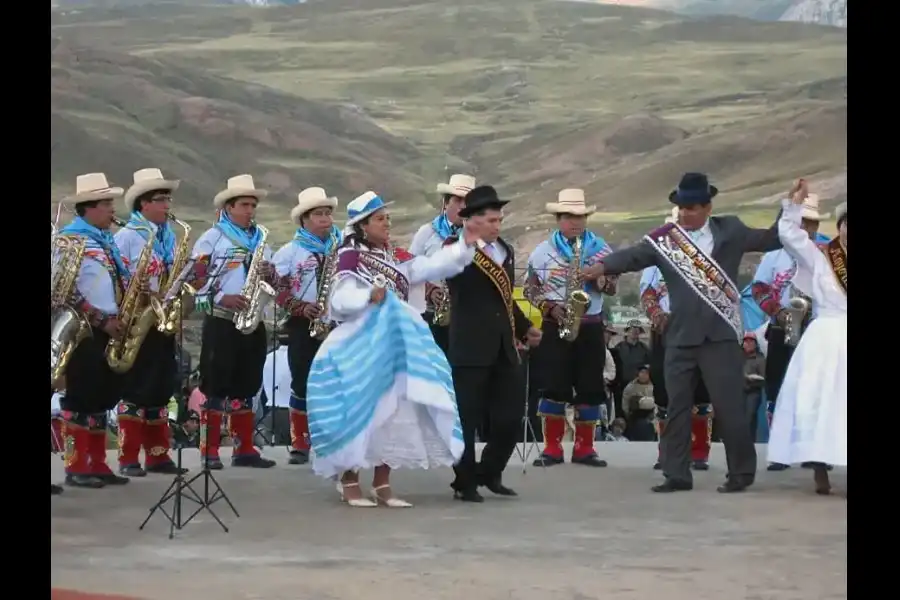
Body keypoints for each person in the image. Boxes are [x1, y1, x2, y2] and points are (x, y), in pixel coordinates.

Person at [583, 172, 782, 493]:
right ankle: (676, 474)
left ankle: (741, 473)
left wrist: (792, 208)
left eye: (692, 207)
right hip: (679, 338)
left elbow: (772, 238)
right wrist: (604, 267)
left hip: (719, 338)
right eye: (681, 207)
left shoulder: (730, 230)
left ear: (707, 207)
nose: (686, 213)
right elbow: (634, 256)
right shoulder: (665, 239)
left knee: (729, 406)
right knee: (676, 407)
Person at [306, 191, 483, 508]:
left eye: (387, 218)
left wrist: (463, 245)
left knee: (396, 412)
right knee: (359, 410)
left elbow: (429, 266)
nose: (387, 223)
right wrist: (366, 297)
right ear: (362, 226)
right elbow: (340, 298)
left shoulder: (395, 258)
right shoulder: (350, 256)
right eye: (380, 219)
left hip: (395, 345)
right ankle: (349, 481)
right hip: (360, 344)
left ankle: (382, 482)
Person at [445, 186, 543, 503]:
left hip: (504, 344)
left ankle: (491, 472)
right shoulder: (455, 249)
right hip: (470, 345)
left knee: (510, 416)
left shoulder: (505, 250)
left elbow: (505, 301)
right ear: (471, 221)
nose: (496, 226)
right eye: (490, 220)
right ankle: (465, 481)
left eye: (499, 220)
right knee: (467, 418)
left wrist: (526, 327)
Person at [188, 175, 280, 469]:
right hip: (221, 321)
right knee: (215, 385)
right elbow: (195, 283)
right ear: (228, 207)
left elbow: (276, 280)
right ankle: (209, 451)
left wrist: (269, 273)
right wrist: (221, 297)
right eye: (244, 205)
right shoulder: (211, 239)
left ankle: (244, 450)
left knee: (248, 383)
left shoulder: (262, 240)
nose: (250, 210)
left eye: (253, 205)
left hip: (252, 320)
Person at [524, 188, 616, 468]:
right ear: (558, 218)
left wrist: (601, 280)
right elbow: (530, 289)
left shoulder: (601, 250)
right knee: (553, 385)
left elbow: (612, 287)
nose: (575, 222)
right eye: (569, 217)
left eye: (580, 217)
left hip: (590, 326)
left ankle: (585, 448)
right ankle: (552, 448)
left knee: (590, 385)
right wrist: (551, 308)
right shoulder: (542, 252)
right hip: (555, 324)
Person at [768, 183, 846, 495]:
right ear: (839, 228)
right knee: (820, 400)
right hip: (826, 335)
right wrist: (793, 205)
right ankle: (819, 466)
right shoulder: (822, 257)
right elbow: (788, 234)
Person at [53, 173, 130, 488]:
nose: (112, 209)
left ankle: (97, 462)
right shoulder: (70, 241)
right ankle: (75, 465)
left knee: (101, 398)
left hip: (110, 327)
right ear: (89, 208)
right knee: (80, 399)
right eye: (106, 203)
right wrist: (101, 320)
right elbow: (63, 291)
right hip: (84, 327)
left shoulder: (107, 241)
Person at [114, 168, 186, 477]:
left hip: (162, 320)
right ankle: (128, 457)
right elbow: (116, 276)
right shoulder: (127, 236)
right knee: (136, 389)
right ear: (143, 204)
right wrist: (137, 288)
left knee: (160, 388)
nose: (167, 206)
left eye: (168, 199)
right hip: (137, 320)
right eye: (161, 200)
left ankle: (158, 456)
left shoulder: (169, 238)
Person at [750, 192, 827, 471]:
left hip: (816, 327)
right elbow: (758, 289)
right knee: (779, 388)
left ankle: (813, 452)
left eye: (812, 223)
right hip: (782, 327)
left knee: (814, 390)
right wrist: (776, 311)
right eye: (802, 221)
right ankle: (780, 451)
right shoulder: (774, 255)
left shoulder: (827, 253)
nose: (807, 228)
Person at [272, 187, 343, 465]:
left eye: (328, 213)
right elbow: (278, 288)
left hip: (337, 323)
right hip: (304, 324)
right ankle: (300, 443)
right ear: (304, 220)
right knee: (302, 381)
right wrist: (300, 307)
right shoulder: (290, 252)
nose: (325, 218)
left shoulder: (342, 248)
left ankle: (333, 439)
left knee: (336, 382)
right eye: (318, 214)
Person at [640, 209, 714, 472]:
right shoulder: (657, 259)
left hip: (701, 329)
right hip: (667, 329)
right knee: (665, 392)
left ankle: (698, 451)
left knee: (700, 391)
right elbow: (647, 294)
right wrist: (658, 316)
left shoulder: (706, 259)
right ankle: (667, 451)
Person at [409, 174, 474, 353]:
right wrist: (430, 290)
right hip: (432, 315)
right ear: (446, 203)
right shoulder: (427, 233)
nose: (463, 206)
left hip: (468, 318)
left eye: (467, 202)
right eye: (458, 200)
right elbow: (410, 270)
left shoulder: (478, 238)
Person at [621, 365, 656, 441]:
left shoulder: (654, 387)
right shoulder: (630, 387)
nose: (643, 375)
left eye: (646, 373)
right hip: (635, 416)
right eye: (642, 373)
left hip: (650, 416)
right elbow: (625, 402)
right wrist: (628, 414)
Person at [741, 333, 766, 439]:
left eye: (751, 341)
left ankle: (749, 441)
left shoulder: (760, 359)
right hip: (739, 392)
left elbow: (763, 378)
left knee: (749, 417)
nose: (748, 344)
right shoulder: (738, 357)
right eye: (746, 341)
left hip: (753, 392)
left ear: (756, 344)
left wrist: (750, 378)